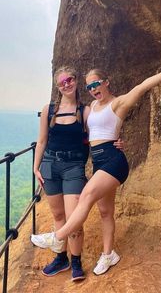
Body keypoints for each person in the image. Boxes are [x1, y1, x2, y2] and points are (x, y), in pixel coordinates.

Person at [31, 61, 161, 275]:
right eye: (89, 87)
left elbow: (143, 86)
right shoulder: (92, 108)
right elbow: (90, 134)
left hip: (113, 161)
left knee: (86, 195)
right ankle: (109, 255)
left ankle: (56, 237)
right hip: (99, 161)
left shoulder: (118, 103)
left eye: (96, 84)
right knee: (106, 212)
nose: (93, 89)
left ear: (106, 82)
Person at [33, 66, 94, 280]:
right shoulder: (49, 110)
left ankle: (76, 261)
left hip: (73, 167)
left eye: (69, 80)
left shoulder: (85, 111)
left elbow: (97, 137)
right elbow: (42, 141)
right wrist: (35, 167)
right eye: (62, 82)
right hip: (50, 165)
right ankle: (62, 258)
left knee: (73, 218)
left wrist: (116, 144)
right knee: (58, 216)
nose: (66, 84)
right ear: (57, 86)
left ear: (76, 81)